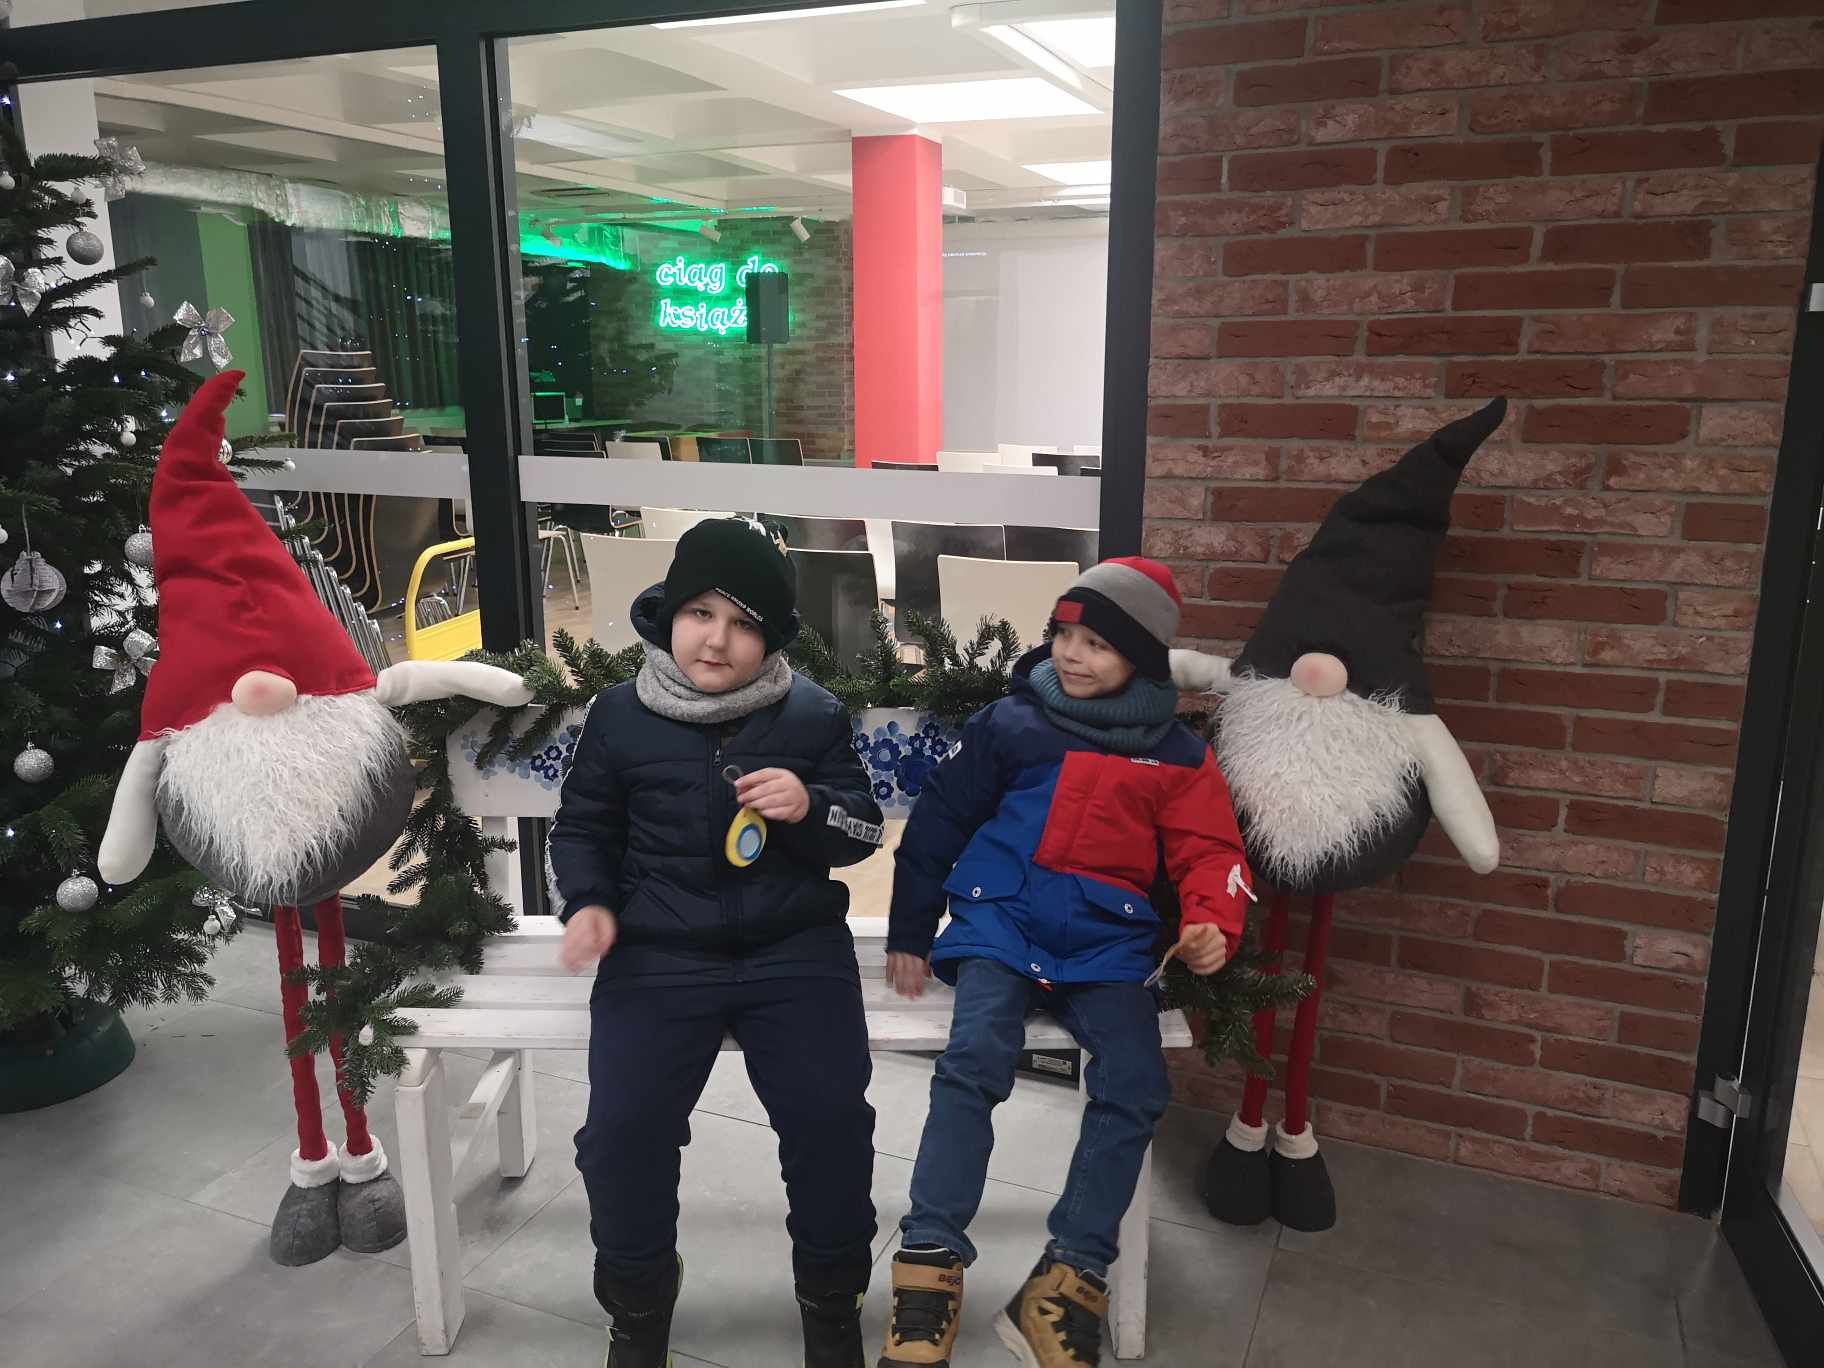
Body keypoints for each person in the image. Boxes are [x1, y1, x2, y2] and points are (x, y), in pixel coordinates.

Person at [879, 557, 1252, 1368]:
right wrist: (910, 928)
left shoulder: (1178, 755)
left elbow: (1212, 852)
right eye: (1063, 634)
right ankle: (929, 1264)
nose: (1072, 654)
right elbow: (940, 820)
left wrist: (1211, 923)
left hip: (1107, 944)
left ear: (1141, 660)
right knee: (974, 1058)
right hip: (1002, 919)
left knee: (1137, 1084)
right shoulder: (1013, 723)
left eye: (1098, 643)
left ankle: (1067, 1282)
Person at [549, 517, 887, 1368]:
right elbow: (582, 828)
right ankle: (637, 1306)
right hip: (657, 951)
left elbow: (863, 829)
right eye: (700, 613)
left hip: (794, 949)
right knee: (622, 1133)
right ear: (669, 614)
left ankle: (831, 1300)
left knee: (830, 1120)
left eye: (743, 623)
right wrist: (589, 903)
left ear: (771, 638)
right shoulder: (619, 716)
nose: (717, 639)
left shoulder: (812, 714)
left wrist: (811, 806)